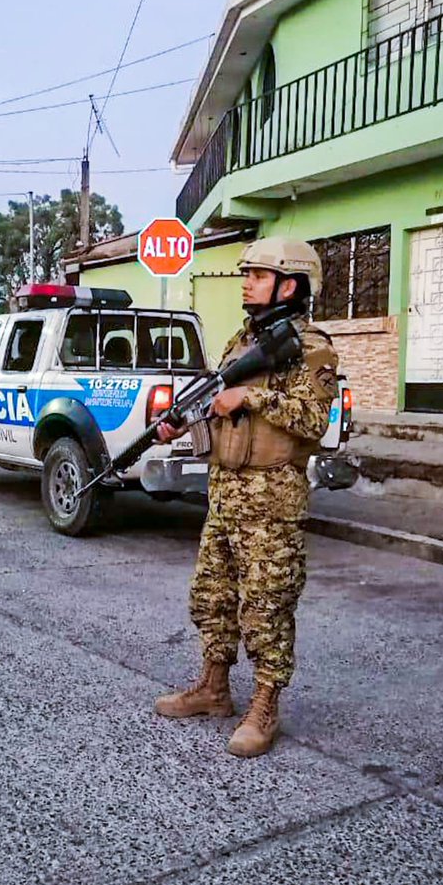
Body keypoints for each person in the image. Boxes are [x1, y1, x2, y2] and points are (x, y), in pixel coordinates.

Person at [153, 238, 339, 758]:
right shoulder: (242, 340)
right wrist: (180, 424)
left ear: (290, 283)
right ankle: (214, 689)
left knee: (266, 605)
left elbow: (313, 420)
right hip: (226, 489)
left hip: (272, 497)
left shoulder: (313, 345)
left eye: (257, 274)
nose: (246, 281)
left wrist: (251, 396)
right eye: (247, 273)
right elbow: (219, 403)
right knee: (211, 597)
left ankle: (264, 706)